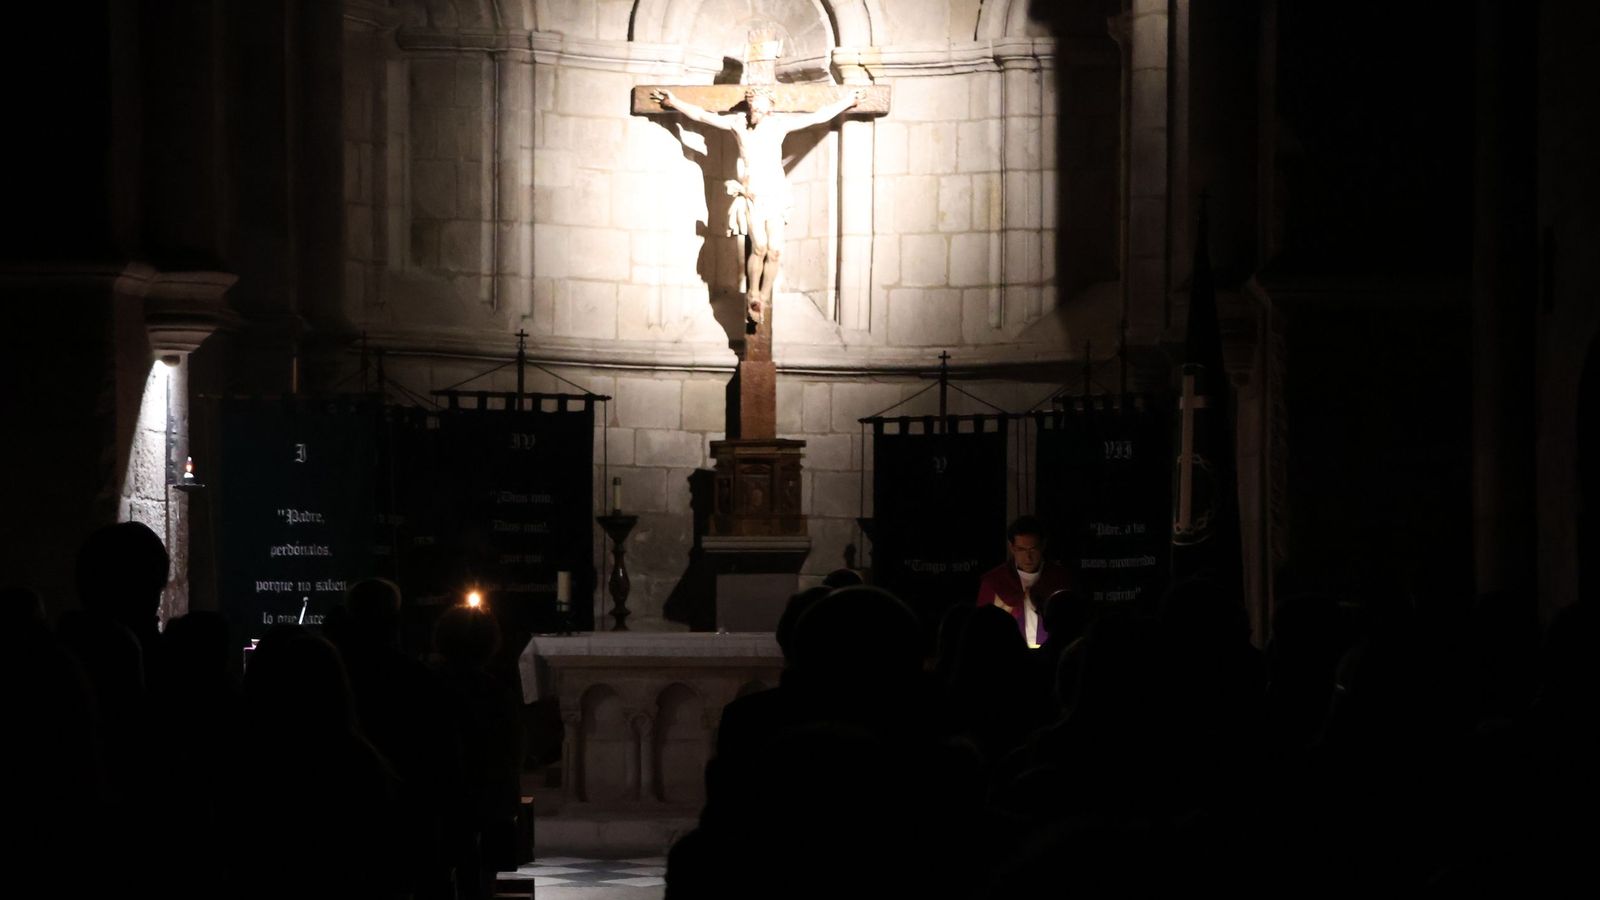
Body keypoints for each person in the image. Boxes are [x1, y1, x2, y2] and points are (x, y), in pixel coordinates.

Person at [649, 85, 864, 324]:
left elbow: (818, 116)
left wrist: (846, 102)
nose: (756, 109)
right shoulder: (738, 125)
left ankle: (763, 297)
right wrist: (675, 102)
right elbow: (702, 115)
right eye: (753, 105)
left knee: (775, 250)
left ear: (770, 107)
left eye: (760, 105)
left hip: (776, 194)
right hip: (752, 195)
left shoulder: (779, 126)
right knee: (759, 246)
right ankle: (753, 291)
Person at [976, 516, 1070, 648]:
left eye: (1033, 549)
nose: (1028, 557)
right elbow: (980, 628)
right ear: (1012, 547)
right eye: (1021, 549)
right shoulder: (994, 581)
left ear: (1043, 545)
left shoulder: (1060, 579)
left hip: (1052, 654)